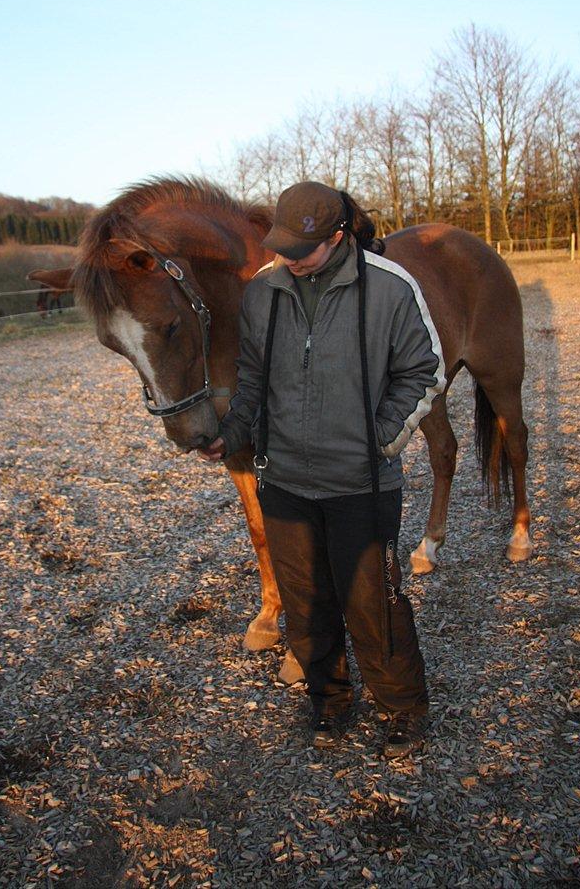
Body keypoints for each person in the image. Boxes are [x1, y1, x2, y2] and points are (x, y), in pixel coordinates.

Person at [198, 181, 445, 757]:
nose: (286, 258)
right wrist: (232, 435)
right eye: (280, 245)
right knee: (305, 604)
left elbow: (423, 371)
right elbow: (252, 378)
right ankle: (329, 702)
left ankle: (403, 710)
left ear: (336, 238)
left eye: (299, 249)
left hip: (361, 483)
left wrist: (379, 438)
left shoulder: (389, 288)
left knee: (374, 603)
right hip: (284, 483)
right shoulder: (264, 292)